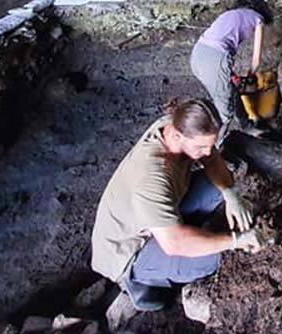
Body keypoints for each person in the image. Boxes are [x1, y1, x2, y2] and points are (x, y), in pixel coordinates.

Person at [90, 99, 265, 311]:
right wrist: (235, 240)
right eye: (202, 147)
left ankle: (182, 226)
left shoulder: (177, 124)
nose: (209, 152)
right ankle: (138, 284)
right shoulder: (152, 177)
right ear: (177, 136)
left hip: (159, 209)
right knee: (214, 259)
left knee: (217, 187)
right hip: (130, 247)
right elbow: (175, 244)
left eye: (211, 145)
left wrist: (231, 194)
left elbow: (212, 159)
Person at [190, 0, 273, 130]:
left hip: (197, 56)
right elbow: (256, 59)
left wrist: (232, 76)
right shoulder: (258, 19)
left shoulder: (230, 14)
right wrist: (249, 76)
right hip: (214, 60)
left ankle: (247, 126)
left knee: (232, 92)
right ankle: (215, 145)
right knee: (225, 113)